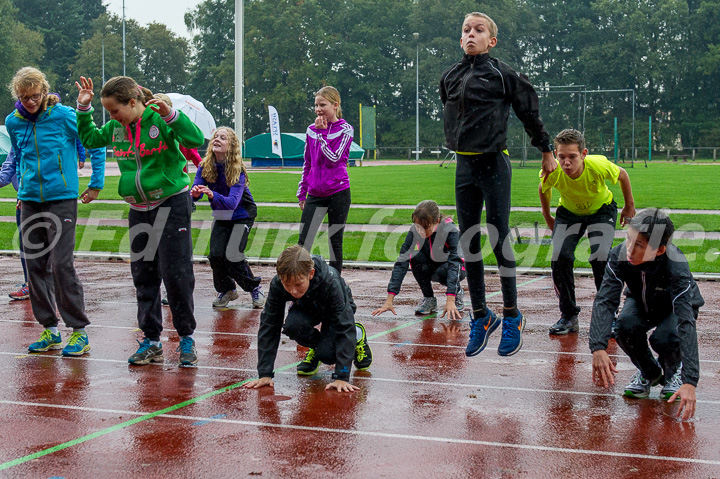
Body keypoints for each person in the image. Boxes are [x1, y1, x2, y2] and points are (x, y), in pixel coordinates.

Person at [440, 12, 556, 357]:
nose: (471, 34)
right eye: (465, 30)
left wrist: (546, 150)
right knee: (468, 240)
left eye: (478, 30)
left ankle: (511, 314)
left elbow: (529, 113)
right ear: (460, 39)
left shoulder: (502, 74)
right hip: (463, 165)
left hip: (494, 163)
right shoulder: (449, 75)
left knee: (499, 235)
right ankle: (481, 315)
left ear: (491, 40)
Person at [75, 75, 204, 367]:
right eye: (108, 112)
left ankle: (186, 338)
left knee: (176, 274)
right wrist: (83, 109)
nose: (112, 117)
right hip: (138, 209)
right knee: (144, 276)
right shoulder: (115, 128)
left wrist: (171, 116)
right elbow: (91, 139)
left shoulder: (160, 121)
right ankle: (152, 340)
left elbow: (195, 139)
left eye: (115, 111)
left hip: (171, 203)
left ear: (132, 102)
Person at [5, 67, 105, 356]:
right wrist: (23, 190)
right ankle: (49, 329)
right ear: (17, 96)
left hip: (61, 197)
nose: (30, 101)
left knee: (61, 264)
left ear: (44, 91)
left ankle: (79, 332)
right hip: (30, 200)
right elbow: (21, 156)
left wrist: (96, 183)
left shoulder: (62, 116)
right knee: (35, 266)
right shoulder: (14, 122)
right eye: (24, 97)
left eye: (35, 95)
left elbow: (94, 141)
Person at [589, 209, 702, 421]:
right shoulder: (619, 255)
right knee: (624, 327)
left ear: (659, 250)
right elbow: (606, 299)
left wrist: (690, 381)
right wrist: (598, 346)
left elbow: (686, 322)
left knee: (666, 338)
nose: (629, 249)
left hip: (673, 308)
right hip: (640, 301)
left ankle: (672, 373)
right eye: (628, 239)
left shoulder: (676, 266)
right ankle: (649, 373)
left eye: (639, 245)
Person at [539, 129, 635, 335]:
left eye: (572, 157)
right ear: (555, 154)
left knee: (600, 257)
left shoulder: (597, 165)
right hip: (569, 213)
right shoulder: (553, 170)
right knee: (559, 256)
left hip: (601, 210)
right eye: (561, 156)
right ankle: (568, 315)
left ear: (583, 154)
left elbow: (623, 176)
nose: (566, 162)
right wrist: (548, 218)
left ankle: (608, 315)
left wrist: (629, 207)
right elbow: (543, 188)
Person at [244, 246, 372, 392]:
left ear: (311, 274)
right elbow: (269, 324)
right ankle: (317, 349)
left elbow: (344, 326)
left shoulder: (331, 282)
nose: (293, 291)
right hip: (308, 307)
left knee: (328, 355)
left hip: (336, 310)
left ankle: (358, 334)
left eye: (298, 284)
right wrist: (265, 374)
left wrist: (341, 377)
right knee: (293, 326)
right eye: (287, 285)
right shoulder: (278, 284)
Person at [191, 126, 264, 309]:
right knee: (216, 255)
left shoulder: (236, 169)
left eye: (223, 138)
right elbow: (196, 193)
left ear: (231, 146)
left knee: (232, 255)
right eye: (215, 136)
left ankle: (254, 287)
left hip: (242, 214)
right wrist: (194, 193)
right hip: (222, 215)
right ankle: (228, 290)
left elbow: (232, 202)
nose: (217, 139)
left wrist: (212, 194)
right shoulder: (204, 166)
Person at [371, 200, 466, 320]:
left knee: (445, 271)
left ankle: (457, 292)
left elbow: (455, 263)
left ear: (436, 221)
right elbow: (402, 261)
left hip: (455, 267)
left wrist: (450, 298)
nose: (421, 232)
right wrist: (390, 299)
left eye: (426, 228)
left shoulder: (449, 229)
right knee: (414, 257)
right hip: (432, 265)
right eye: (418, 227)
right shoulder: (415, 230)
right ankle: (429, 299)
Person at [296, 86, 353, 274]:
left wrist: (322, 134)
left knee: (335, 240)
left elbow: (334, 158)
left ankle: (335, 281)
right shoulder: (311, 130)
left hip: (338, 192)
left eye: (323, 105)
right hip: (315, 192)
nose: (318, 109)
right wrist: (302, 191)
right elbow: (308, 162)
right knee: (304, 240)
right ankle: (301, 279)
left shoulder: (346, 129)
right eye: (316, 105)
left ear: (335, 105)